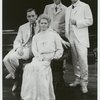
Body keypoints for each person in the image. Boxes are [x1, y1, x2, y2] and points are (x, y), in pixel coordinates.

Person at [21, 14, 64, 100]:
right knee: (29, 68)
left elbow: (60, 49)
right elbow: (34, 49)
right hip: (38, 57)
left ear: (48, 24)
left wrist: (55, 57)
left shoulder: (54, 35)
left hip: (50, 57)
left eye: (45, 23)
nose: (43, 25)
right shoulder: (36, 37)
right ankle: (31, 95)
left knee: (41, 69)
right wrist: (40, 57)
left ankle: (43, 96)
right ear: (39, 24)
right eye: (41, 23)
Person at [3, 8, 37, 91]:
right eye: (29, 16)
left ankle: (17, 80)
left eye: (33, 16)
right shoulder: (22, 27)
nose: (31, 18)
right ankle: (15, 74)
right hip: (23, 47)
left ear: (36, 16)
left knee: (13, 58)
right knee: (5, 60)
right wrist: (18, 48)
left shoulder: (42, 25)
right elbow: (17, 40)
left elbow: (51, 32)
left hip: (33, 49)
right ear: (27, 17)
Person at [65, 0, 93, 93]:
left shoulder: (85, 6)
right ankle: (77, 79)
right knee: (74, 59)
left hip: (81, 38)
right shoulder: (68, 9)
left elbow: (90, 21)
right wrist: (67, 37)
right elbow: (66, 24)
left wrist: (77, 22)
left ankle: (84, 82)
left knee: (83, 60)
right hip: (70, 37)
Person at [44, 0, 69, 90]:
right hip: (48, 36)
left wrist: (62, 37)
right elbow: (44, 20)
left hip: (60, 36)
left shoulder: (66, 9)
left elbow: (67, 24)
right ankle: (49, 79)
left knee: (59, 59)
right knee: (49, 56)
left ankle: (59, 79)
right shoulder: (47, 7)